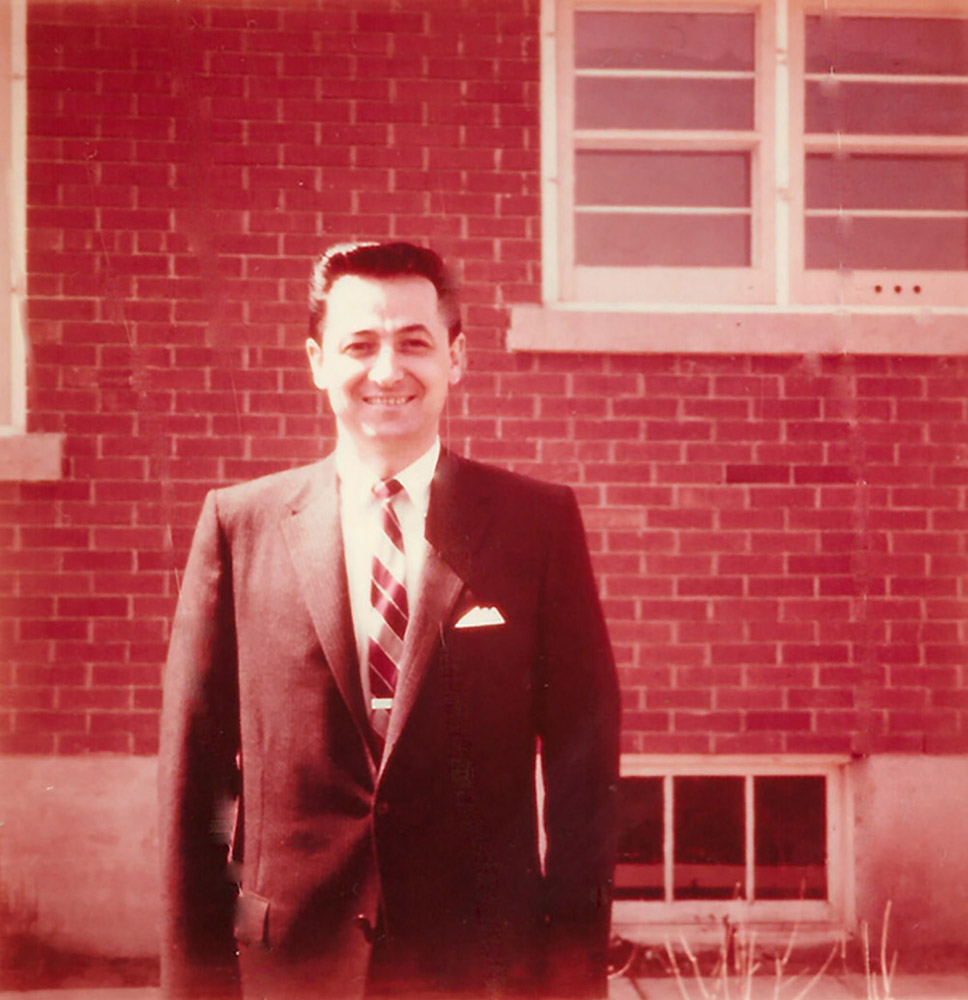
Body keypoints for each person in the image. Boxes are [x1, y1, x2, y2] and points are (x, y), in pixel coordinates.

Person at [158, 241, 620, 1000]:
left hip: (479, 966)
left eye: (414, 343)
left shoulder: (537, 525)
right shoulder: (241, 526)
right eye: (359, 345)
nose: (387, 371)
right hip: (290, 965)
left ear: (456, 358)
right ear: (316, 360)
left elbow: (583, 771)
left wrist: (569, 982)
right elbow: (193, 785)